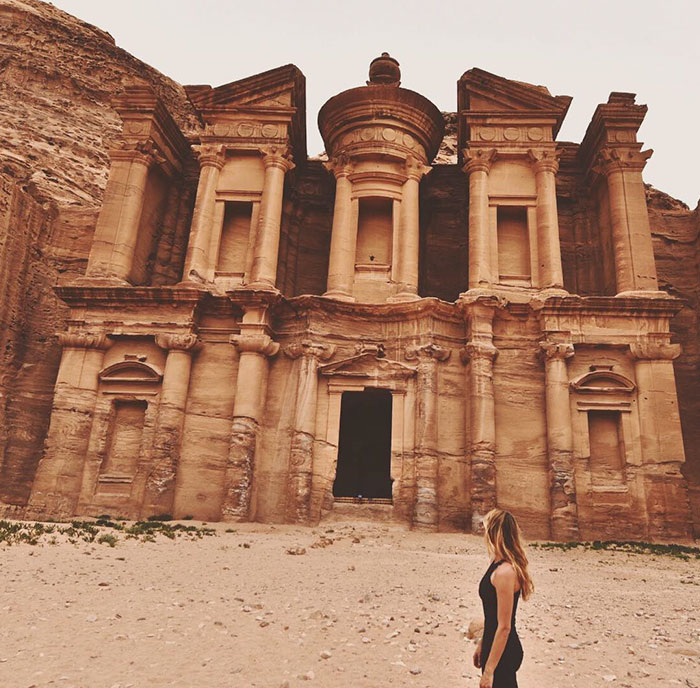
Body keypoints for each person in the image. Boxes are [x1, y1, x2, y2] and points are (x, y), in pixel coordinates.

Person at [472, 508, 534, 688]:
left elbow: (505, 626)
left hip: (504, 651)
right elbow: (492, 614)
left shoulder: (505, 572)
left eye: (486, 527)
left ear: (494, 531)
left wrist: (489, 671)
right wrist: (482, 643)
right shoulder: (495, 563)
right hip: (493, 644)